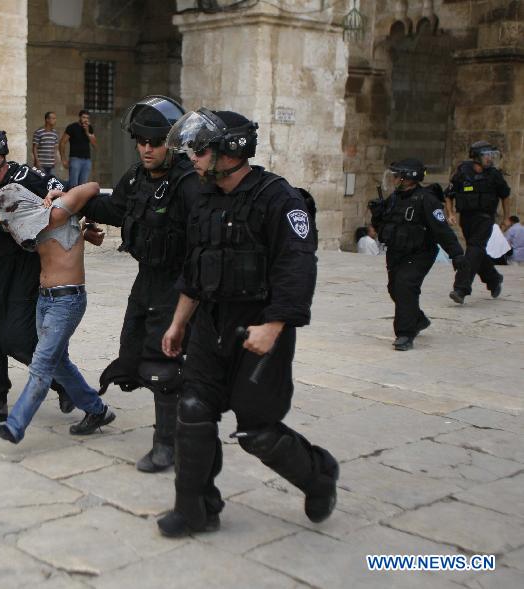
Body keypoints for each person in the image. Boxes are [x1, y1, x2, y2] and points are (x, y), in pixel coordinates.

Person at [157, 109, 338, 537]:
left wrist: (274, 326)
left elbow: (297, 267)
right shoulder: (205, 199)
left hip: (259, 329)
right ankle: (195, 509)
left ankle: (318, 474)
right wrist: (178, 323)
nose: (194, 158)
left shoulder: (279, 198)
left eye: (201, 150)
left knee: (258, 431)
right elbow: (196, 268)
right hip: (210, 323)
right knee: (193, 410)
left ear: (231, 149)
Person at [77, 95, 199, 473]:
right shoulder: (135, 178)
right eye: (141, 142)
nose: (147, 149)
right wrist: (72, 200)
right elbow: (115, 209)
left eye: (155, 142)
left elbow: (201, 243)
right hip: (145, 281)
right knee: (133, 355)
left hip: (176, 285)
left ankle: (168, 445)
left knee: (163, 363)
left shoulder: (188, 184)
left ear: (172, 143)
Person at [0, 128, 83, 426]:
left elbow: (68, 197)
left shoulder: (30, 177)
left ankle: (65, 384)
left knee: (19, 338)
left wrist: (59, 207)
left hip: (28, 264)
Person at [0, 181, 115, 443]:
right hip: (46, 299)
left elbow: (93, 186)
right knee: (59, 364)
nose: (10, 217)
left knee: (42, 365)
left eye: (13, 209)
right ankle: (97, 410)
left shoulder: (57, 210)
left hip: (67, 300)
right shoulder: (30, 226)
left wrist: (63, 194)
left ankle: (15, 426)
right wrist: (82, 230)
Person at [369, 160, 466, 351]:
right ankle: (418, 319)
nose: (394, 179)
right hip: (397, 252)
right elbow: (386, 224)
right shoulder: (395, 197)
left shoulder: (427, 199)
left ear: (409, 178)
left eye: (398, 176)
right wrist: (377, 212)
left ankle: (405, 334)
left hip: (420, 252)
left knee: (405, 285)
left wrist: (456, 254)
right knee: (394, 289)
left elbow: (442, 229)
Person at [446, 141, 511, 304]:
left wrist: (506, 218)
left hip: (485, 218)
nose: (489, 159)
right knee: (477, 252)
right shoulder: (462, 172)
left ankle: (461, 289)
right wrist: (451, 213)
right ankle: (494, 279)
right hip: (466, 219)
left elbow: (505, 196)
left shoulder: (494, 175)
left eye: (491, 155)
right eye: (486, 155)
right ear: (476, 157)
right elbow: (449, 194)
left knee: (474, 250)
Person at [60, 110, 97, 187]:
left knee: (83, 186)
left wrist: (87, 132)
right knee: (73, 185)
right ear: (80, 117)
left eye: (87, 118)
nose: (85, 120)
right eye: (84, 117)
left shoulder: (89, 128)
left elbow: (94, 144)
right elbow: (62, 143)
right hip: (75, 159)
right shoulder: (72, 127)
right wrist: (63, 159)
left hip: (87, 160)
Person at [32, 111, 60, 176]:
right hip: (41, 164)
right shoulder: (39, 132)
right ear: (47, 119)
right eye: (53, 118)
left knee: (50, 182)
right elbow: (34, 148)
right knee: (40, 182)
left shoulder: (55, 133)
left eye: (55, 118)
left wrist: (55, 159)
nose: (55, 120)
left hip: (51, 165)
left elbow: (55, 147)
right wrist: (37, 161)